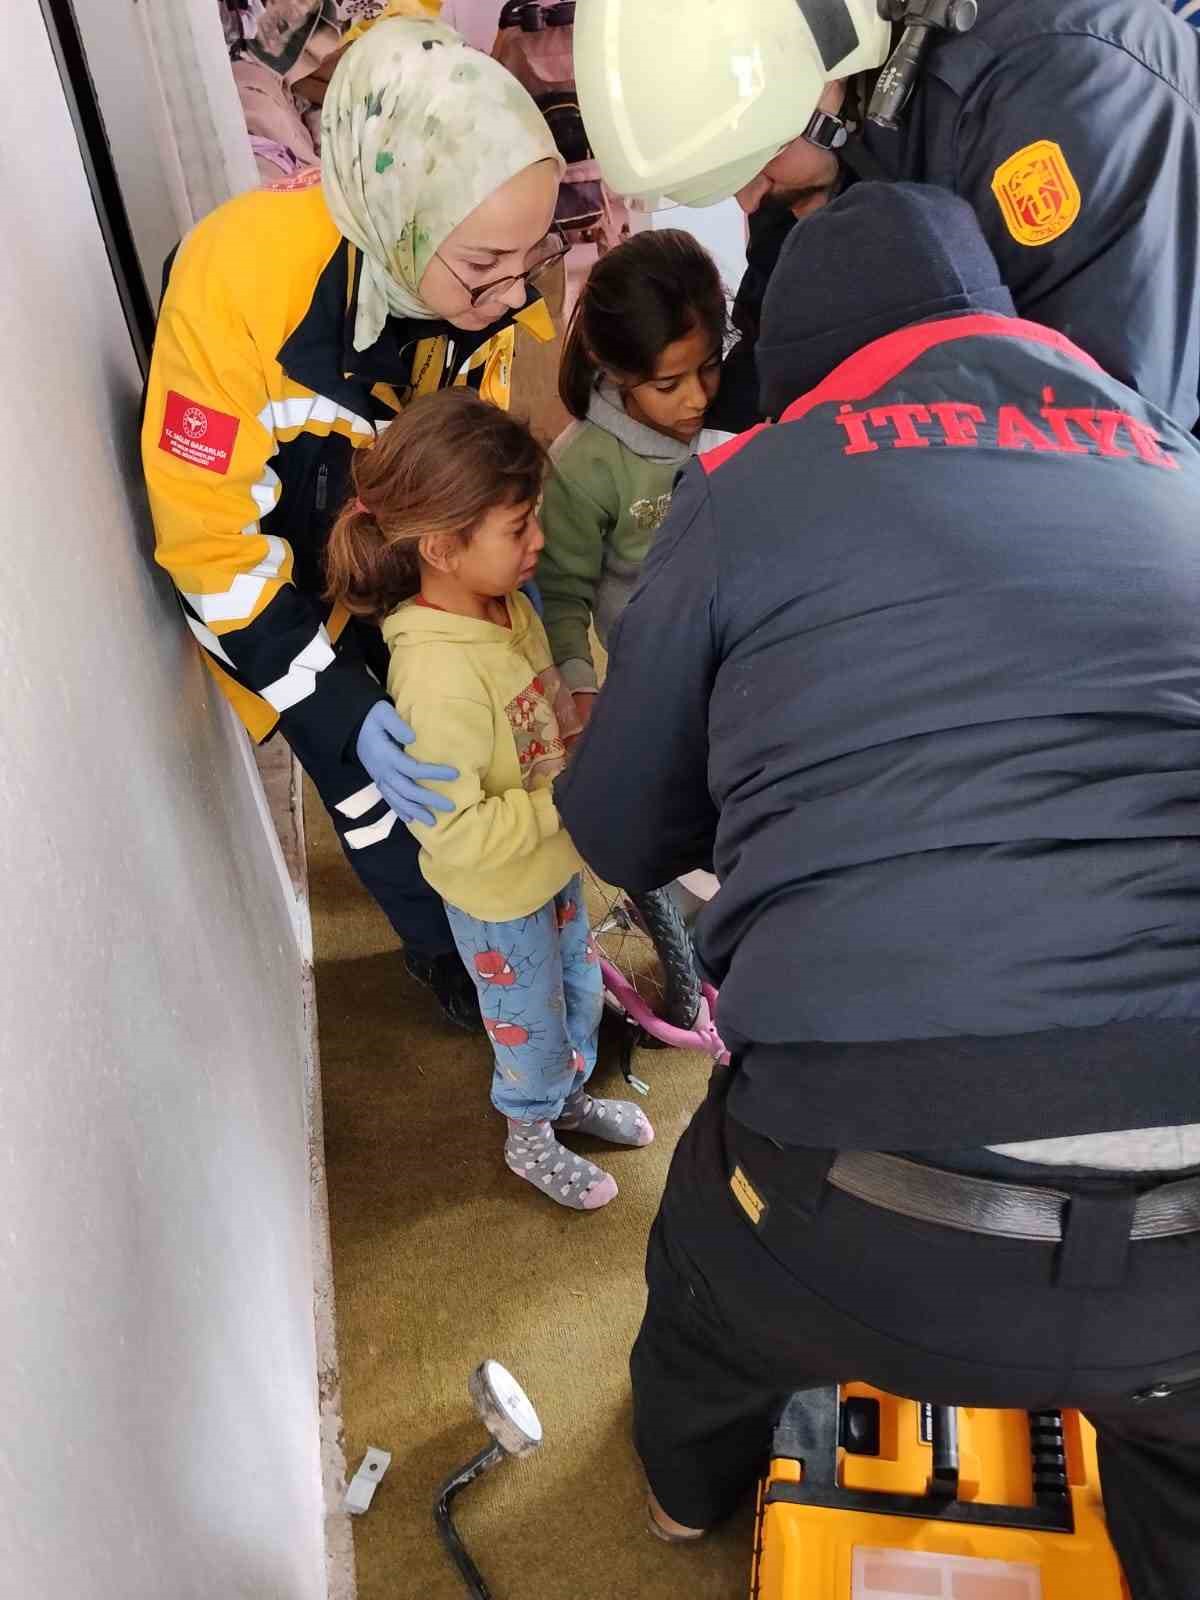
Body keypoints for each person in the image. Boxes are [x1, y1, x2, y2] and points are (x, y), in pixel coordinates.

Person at [556, 182, 1200, 1592]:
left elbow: (620, 828)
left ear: (798, 360)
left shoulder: (746, 489)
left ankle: (680, 1497)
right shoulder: (1178, 462)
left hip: (863, 1211)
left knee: (708, 1288)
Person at [142, 14, 569, 1029]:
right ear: (398, 218)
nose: (513, 290)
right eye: (485, 266)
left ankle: (540, 930)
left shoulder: (474, 284)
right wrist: (336, 709)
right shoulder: (237, 289)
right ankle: (467, 974)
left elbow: (475, 420)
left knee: (492, 733)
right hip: (290, 588)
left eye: (531, 257)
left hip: (404, 532)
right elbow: (210, 551)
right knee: (382, 791)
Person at [574, 0, 1200, 434]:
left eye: (758, 167)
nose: (750, 198)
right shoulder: (826, 113)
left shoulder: (1063, 91)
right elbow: (787, 288)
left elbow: (1115, 436)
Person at [324, 389, 655, 1208]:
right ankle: (529, 1131)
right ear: (440, 546)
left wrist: (577, 723)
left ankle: (570, 1098)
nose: (541, 541)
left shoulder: (505, 605)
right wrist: (572, 798)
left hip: (549, 865)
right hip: (497, 896)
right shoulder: (436, 679)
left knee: (579, 992)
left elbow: (537, 709)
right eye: (520, 529)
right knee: (529, 1029)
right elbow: (461, 835)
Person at [537, 229, 730, 731]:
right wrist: (579, 688)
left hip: (750, 640)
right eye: (668, 385)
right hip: (657, 674)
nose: (697, 399)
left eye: (710, 366)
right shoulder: (584, 467)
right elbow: (562, 593)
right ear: (616, 372)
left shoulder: (741, 411)